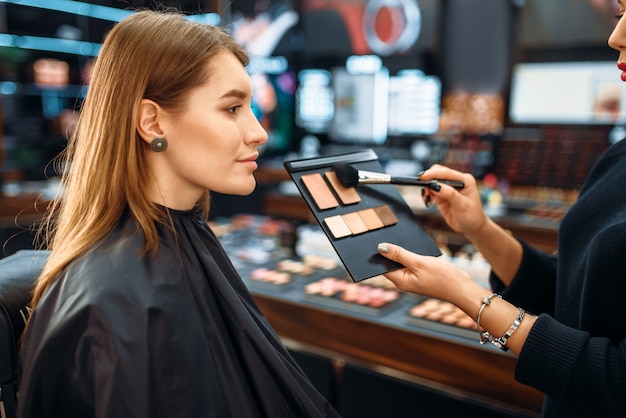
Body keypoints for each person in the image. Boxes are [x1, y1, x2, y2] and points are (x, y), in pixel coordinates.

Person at [17, 9, 338, 418]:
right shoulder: (116, 301)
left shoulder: (184, 236)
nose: (258, 132)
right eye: (232, 109)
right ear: (152, 122)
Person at [376, 3, 626, 417]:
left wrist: (464, 293)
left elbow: (617, 379)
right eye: (619, 10)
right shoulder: (618, 159)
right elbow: (565, 294)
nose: (615, 36)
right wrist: (479, 228)